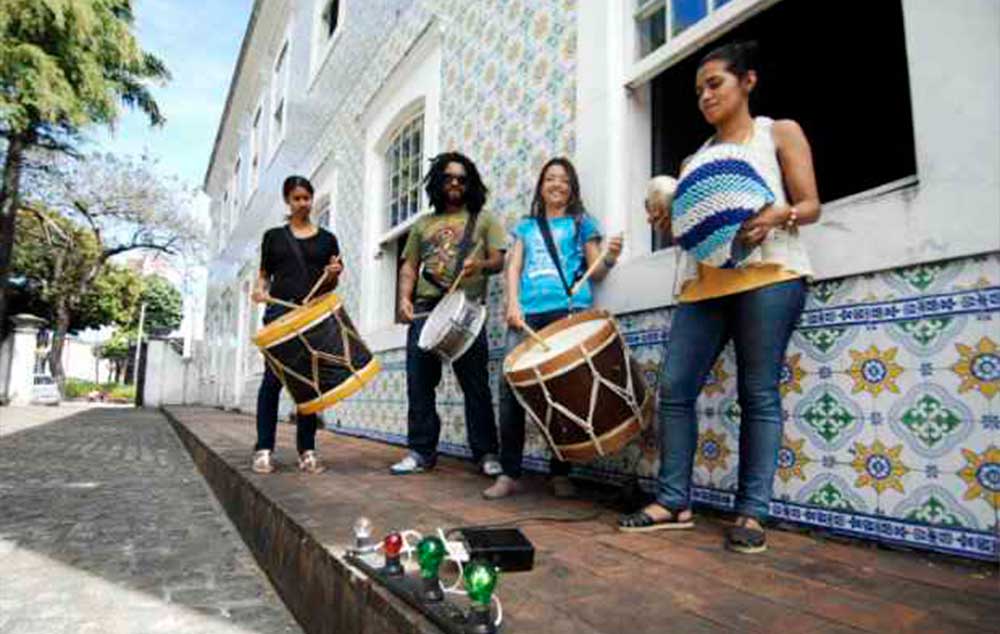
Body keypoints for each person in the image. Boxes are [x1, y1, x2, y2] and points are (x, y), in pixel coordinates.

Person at [618, 41, 821, 554]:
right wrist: (669, 219)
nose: (705, 97)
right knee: (676, 387)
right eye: (699, 91)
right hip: (703, 284)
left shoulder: (779, 132)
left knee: (758, 394)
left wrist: (775, 215)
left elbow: (811, 204)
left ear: (747, 81)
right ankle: (673, 501)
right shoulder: (694, 160)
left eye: (716, 84)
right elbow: (696, 231)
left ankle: (752, 513)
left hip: (770, 276)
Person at [482, 157, 623, 499]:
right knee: (511, 388)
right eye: (550, 179)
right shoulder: (526, 227)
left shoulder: (581, 223)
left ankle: (560, 472)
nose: (556, 184)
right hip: (527, 313)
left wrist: (610, 257)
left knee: (564, 391)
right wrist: (512, 304)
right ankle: (510, 472)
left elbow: (596, 271)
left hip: (568, 310)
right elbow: (512, 268)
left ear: (571, 187)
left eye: (563, 179)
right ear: (541, 187)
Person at [390, 152, 506, 476]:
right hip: (426, 310)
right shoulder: (422, 225)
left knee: (476, 385)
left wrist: (479, 264)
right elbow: (409, 266)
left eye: (461, 178)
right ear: (438, 182)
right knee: (419, 383)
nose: (455, 183)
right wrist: (403, 300)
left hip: (467, 309)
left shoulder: (483, 220)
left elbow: (498, 261)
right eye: (448, 177)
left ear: (470, 184)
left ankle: (486, 454)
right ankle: (420, 452)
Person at [249, 175, 343, 474]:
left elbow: (333, 280)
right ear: (287, 201)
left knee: (308, 385)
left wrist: (334, 272)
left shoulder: (328, 239)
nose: (302, 203)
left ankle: (307, 451)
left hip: (312, 316)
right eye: (296, 198)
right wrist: (260, 289)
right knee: (272, 381)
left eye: (306, 197)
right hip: (279, 314)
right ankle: (264, 449)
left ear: (311, 199)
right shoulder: (273, 237)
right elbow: (265, 275)